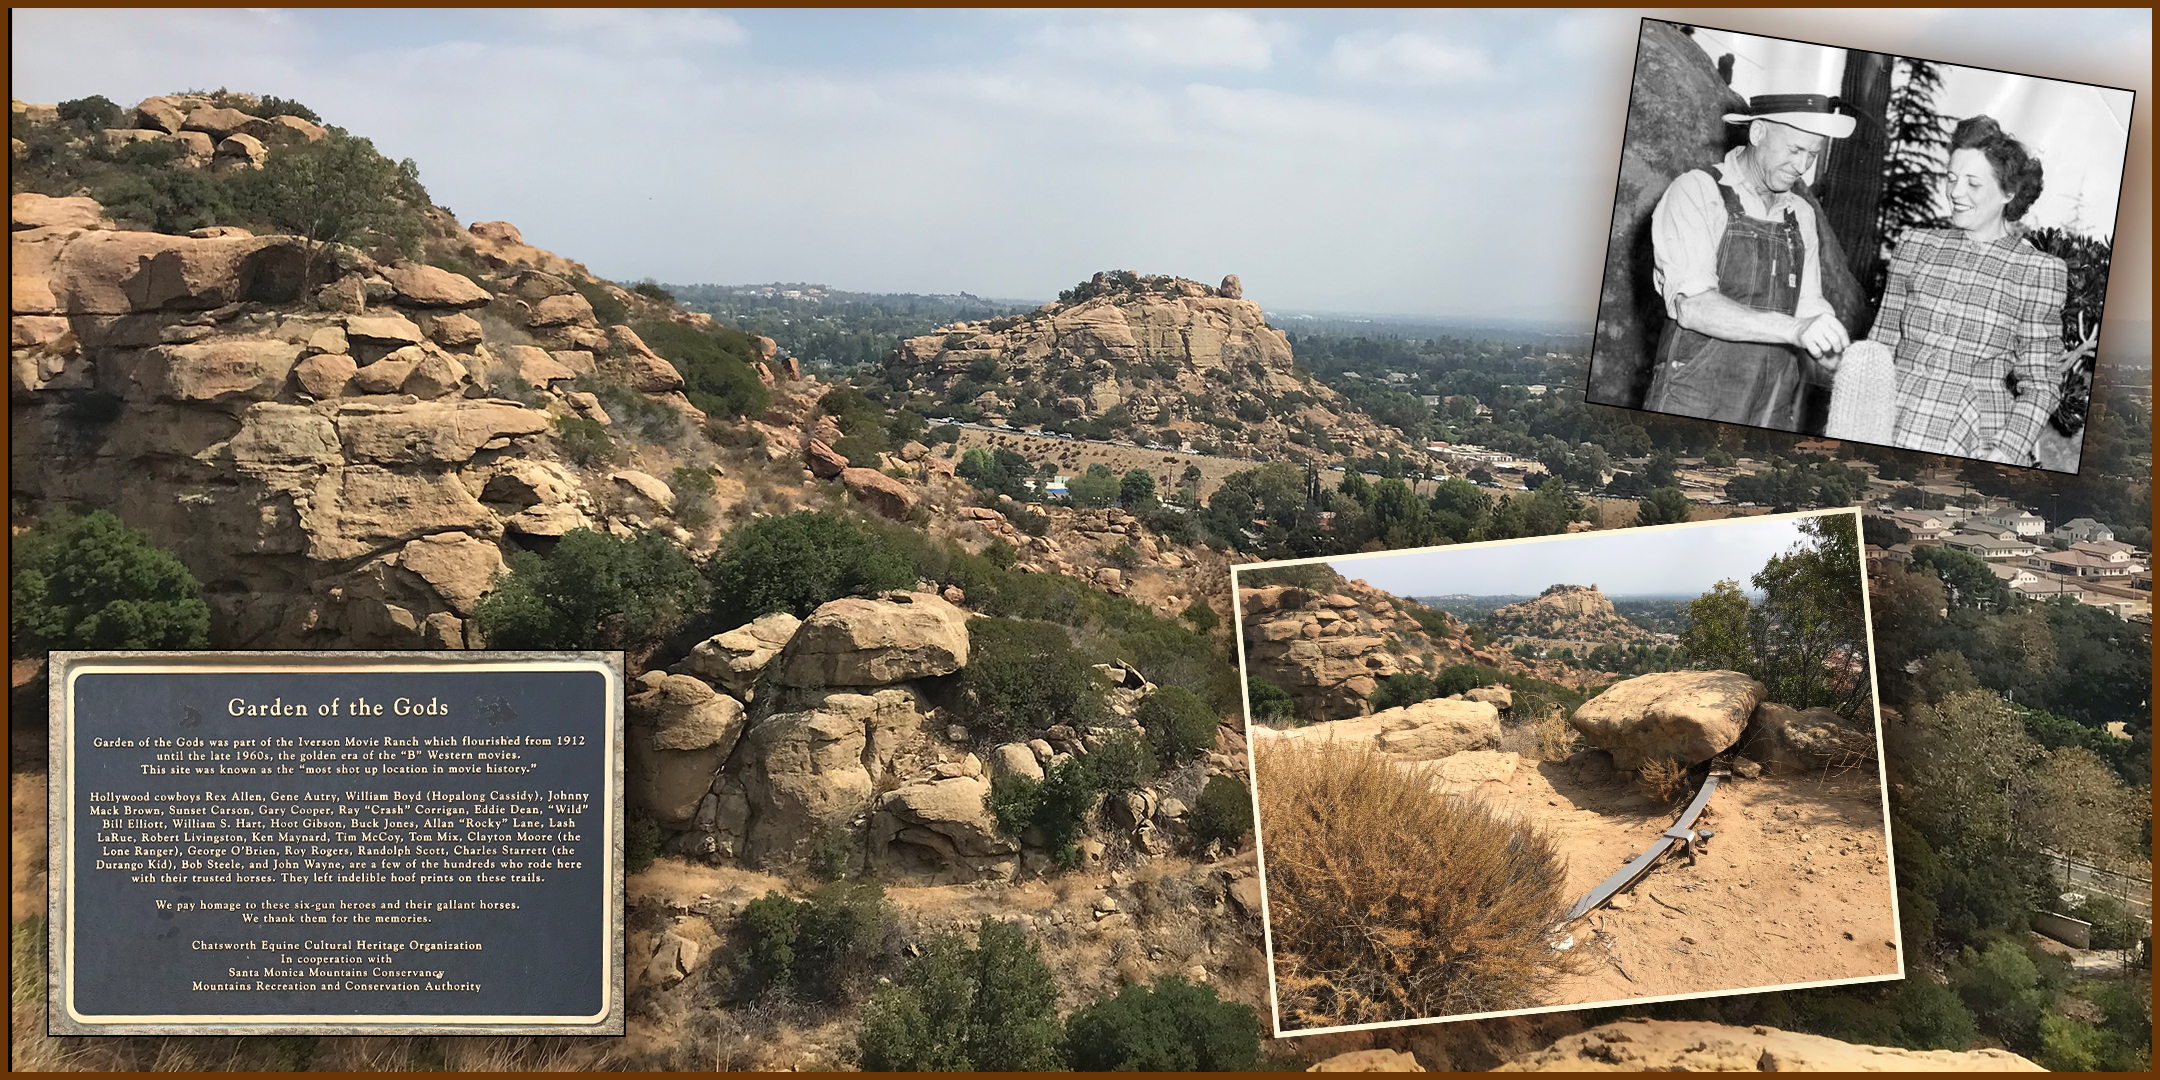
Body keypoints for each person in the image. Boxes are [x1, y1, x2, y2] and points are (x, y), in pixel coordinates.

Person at [1644, 93, 1856, 430]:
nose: (1802, 167)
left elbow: (1808, 305)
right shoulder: (1697, 191)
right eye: (1795, 150)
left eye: (1813, 155)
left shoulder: (1800, 214)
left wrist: (1834, 352)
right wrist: (1796, 330)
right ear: (1758, 133)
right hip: (1694, 399)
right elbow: (1693, 306)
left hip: (1771, 405)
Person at [1873, 116, 2072, 465]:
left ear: (2008, 193)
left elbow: (2041, 384)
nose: (1955, 192)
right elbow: (1880, 344)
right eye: (1951, 179)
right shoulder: (1915, 244)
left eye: (1973, 184)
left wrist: (2005, 452)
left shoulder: (2038, 269)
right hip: (1890, 412)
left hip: (1974, 431)